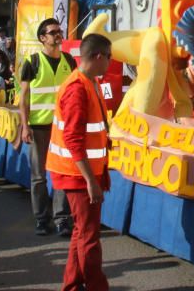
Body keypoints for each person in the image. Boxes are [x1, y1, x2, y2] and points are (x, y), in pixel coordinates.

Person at [47, 34, 112, 291]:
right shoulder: (77, 88)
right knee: (88, 237)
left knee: (81, 233)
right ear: (97, 56)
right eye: (108, 57)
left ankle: (72, 285)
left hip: (83, 172)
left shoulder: (89, 82)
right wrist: (90, 181)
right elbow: (73, 139)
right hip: (78, 174)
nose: (110, 62)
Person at [19, 18, 75, 237]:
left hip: (61, 128)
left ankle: (62, 218)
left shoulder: (69, 60)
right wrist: (25, 126)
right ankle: (42, 219)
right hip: (38, 127)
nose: (58, 35)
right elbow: (24, 98)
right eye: (53, 32)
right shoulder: (32, 62)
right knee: (39, 176)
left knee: (61, 173)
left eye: (59, 31)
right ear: (42, 38)